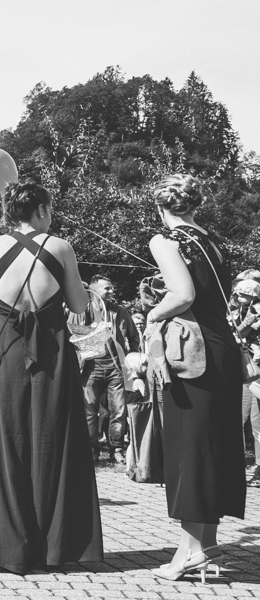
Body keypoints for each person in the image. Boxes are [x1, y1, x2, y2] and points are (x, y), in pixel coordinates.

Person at [0, 181, 102, 574]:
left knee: (8, 442)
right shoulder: (60, 247)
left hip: (8, 353)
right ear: (40, 209)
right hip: (53, 353)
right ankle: (54, 546)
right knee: (54, 439)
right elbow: (78, 305)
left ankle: (7, 546)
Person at [146, 175, 245, 581]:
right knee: (216, 443)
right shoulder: (212, 239)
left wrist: (154, 314)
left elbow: (182, 294)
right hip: (222, 347)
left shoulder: (165, 240)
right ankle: (204, 546)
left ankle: (188, 553)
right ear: (195, 204)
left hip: (194, 352)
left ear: (160, 207)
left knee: (190, 447)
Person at [77, 274, 140, 463]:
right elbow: (72, 335)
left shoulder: (120, 311)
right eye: (107, 288)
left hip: (116, 369)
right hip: (90, 368)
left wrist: (133, 358)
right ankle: (91, 450)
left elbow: (133, 336)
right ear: (94, 290)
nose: (112, 291)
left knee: (119, 411)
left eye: (112, 288)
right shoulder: (82, 311)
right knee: (89, 411)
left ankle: (117, 449)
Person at [231, 278, 260, 486]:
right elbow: (234, 335)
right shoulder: (237, 312)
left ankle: (258, 467)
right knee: (240, 420)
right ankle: (236, 465)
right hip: (243, 371)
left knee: (257, 424)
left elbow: (239, 333)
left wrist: (249, 322)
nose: (241, 299)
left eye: (245, 295)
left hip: (255, 372)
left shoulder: (255, 311)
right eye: (239, 295)